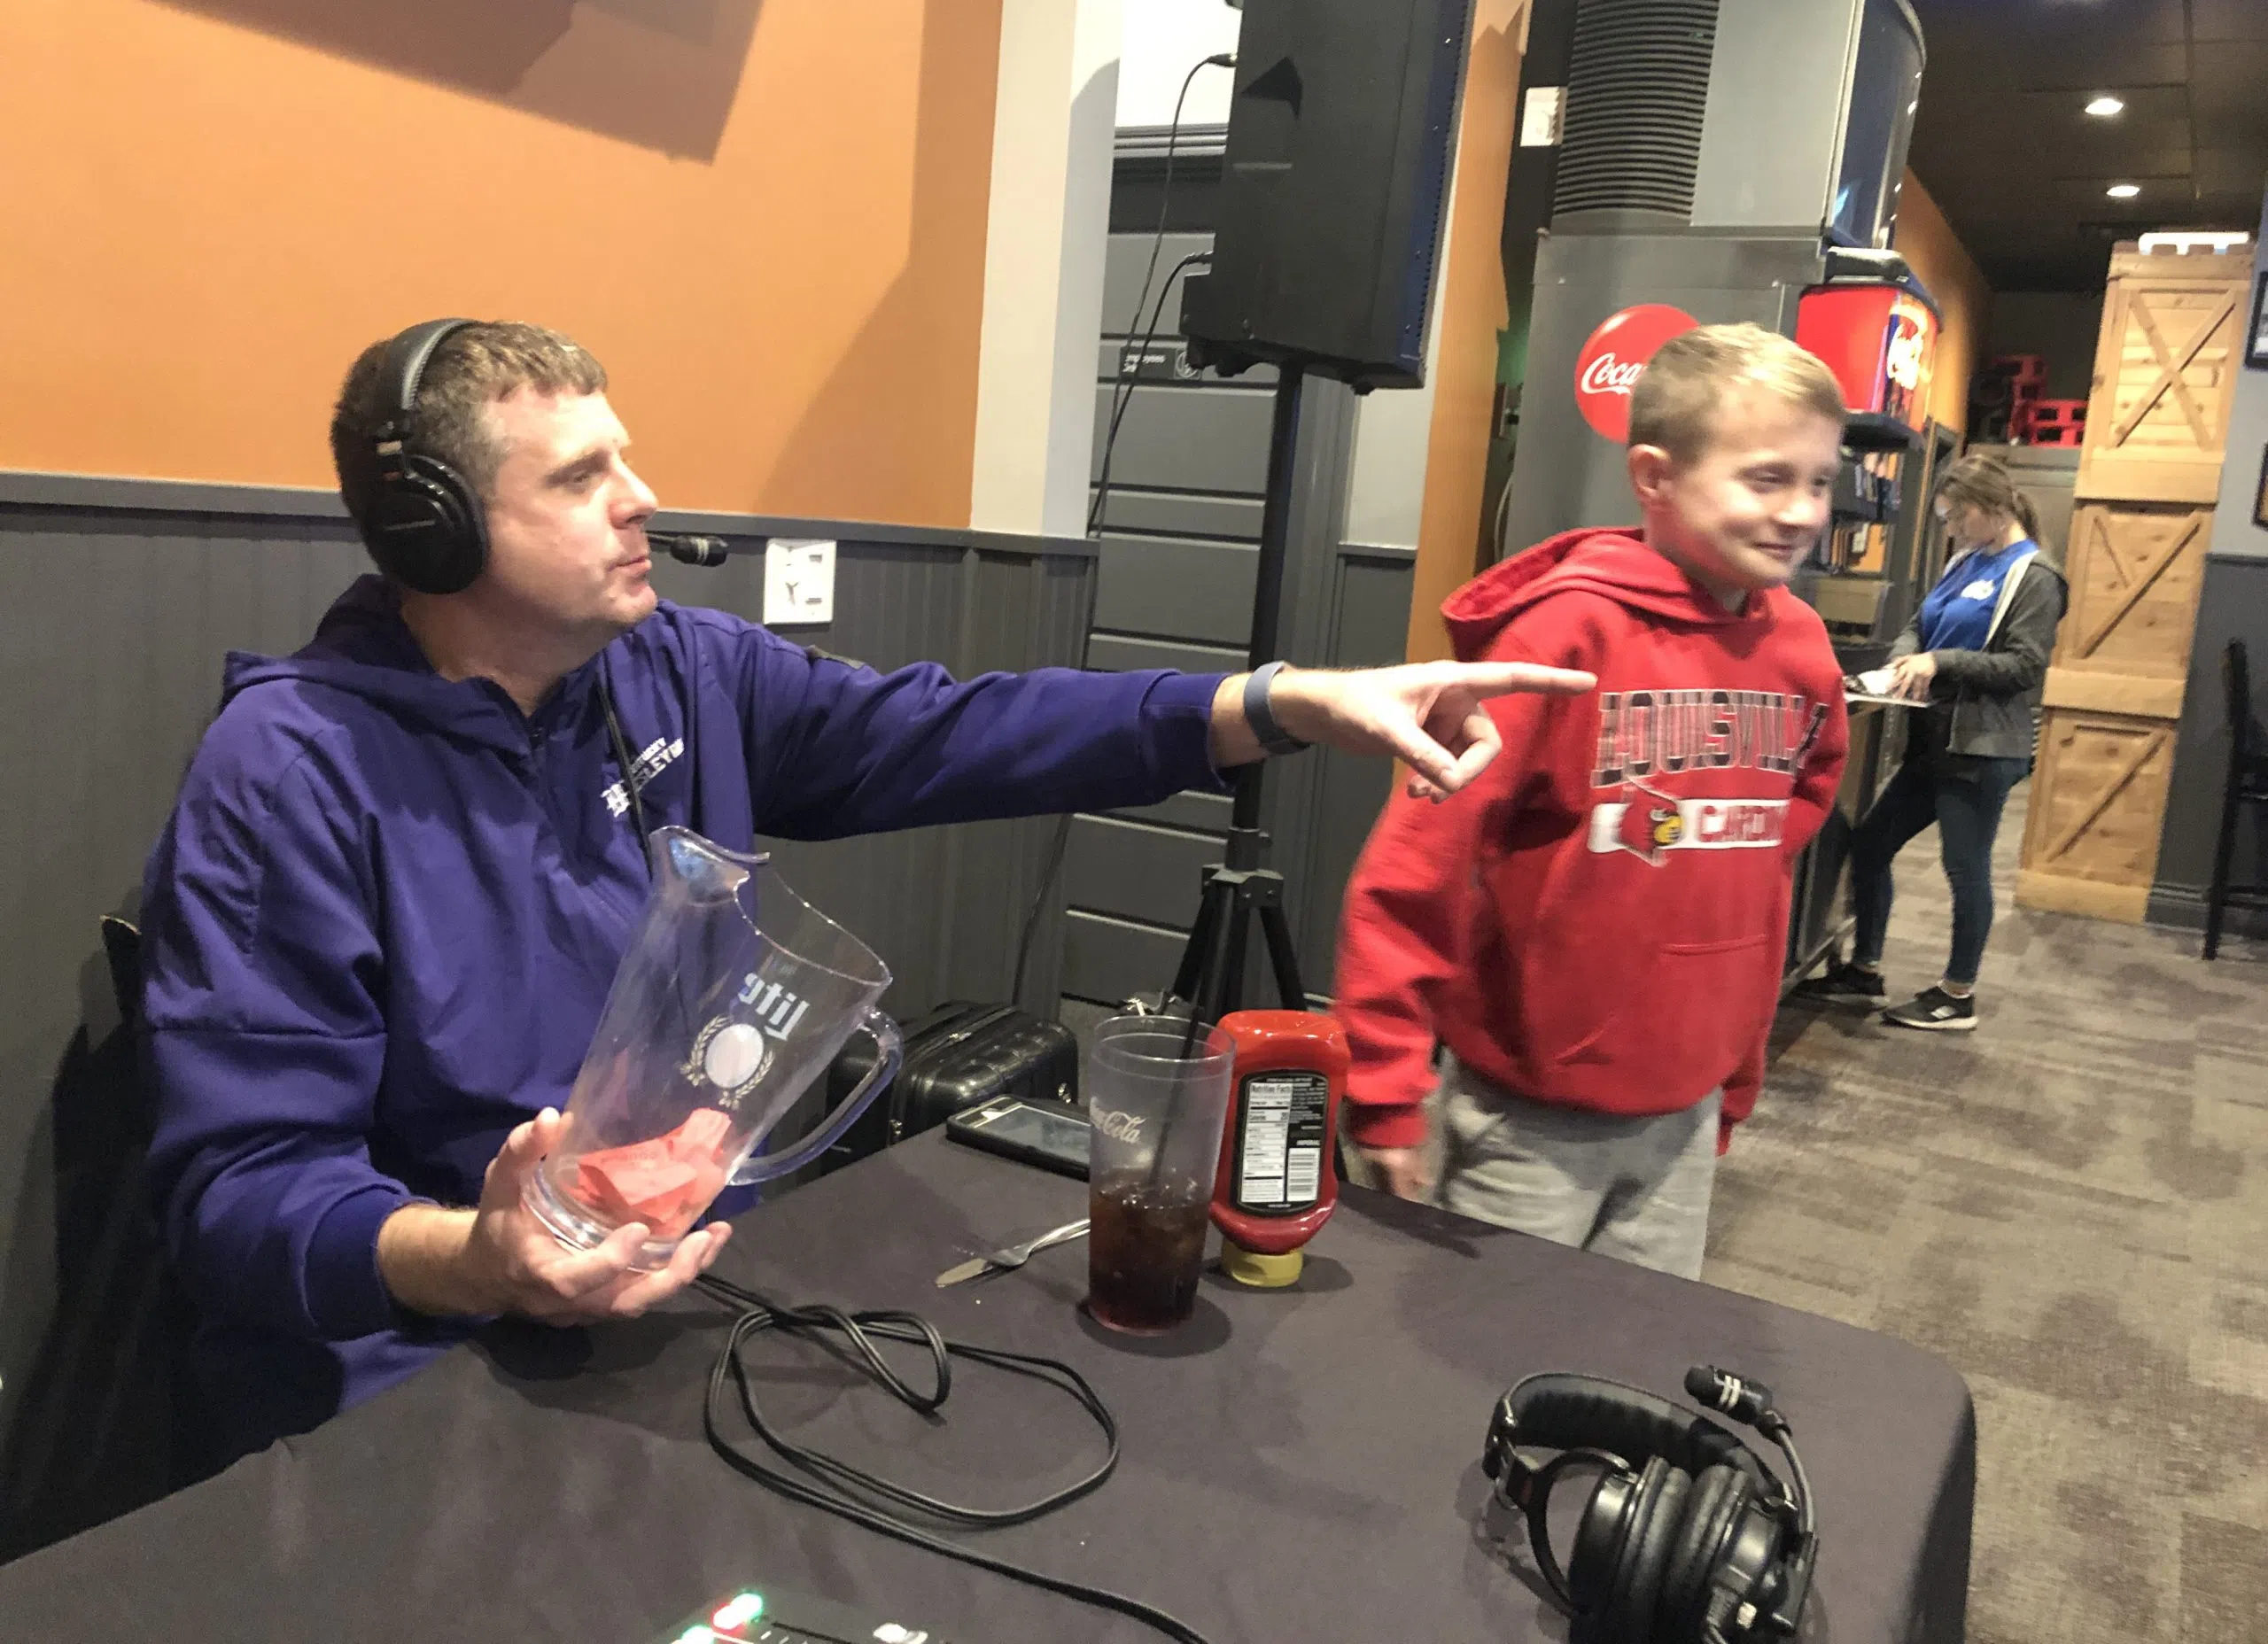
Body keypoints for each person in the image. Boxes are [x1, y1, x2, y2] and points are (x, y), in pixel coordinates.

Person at [138, 319, 1592, 1465]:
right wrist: (483, 1260)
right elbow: (240, 1195)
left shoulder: (676, 670)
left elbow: (955, 730)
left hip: (685, 1299)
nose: (643, 499)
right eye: (580, 478)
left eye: (623, 457)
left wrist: (1271, 705)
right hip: (424, 1372)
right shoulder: (291, 772)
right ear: (433, 533)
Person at [1333, 323, 1850, 1278]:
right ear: (1654, 476)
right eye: (1766, 479)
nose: (1801, 511)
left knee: (1634, 1346)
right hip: (1527, 1116)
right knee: (1484, 1341)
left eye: (1820, 481)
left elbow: (1758, 871)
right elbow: (1415, 870)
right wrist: (1386, 1089)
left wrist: (1735, 1067)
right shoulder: (1561, 635)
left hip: (1684, 1109)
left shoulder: (1802, 650)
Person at [1799, 454, 2067, 1031]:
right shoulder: (1965, 561)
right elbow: (1917, 625)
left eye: (1957, 517)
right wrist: (1904, 659)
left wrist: (1940, 661)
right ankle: (1865, 969)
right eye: (1946, 519)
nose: (1952, 529)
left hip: (1981, 749)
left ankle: (1957, 995)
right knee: (1871, 846)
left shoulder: (2036, 575)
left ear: (1992, 508)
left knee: (1964, 869)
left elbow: (2024, 666)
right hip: (1933, 743)